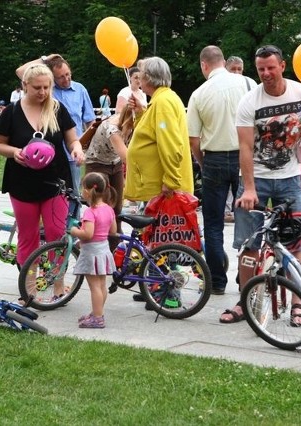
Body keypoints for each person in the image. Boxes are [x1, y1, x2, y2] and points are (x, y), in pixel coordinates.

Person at [220, 44, 301, 324]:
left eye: (270, 67)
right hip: (257, 179)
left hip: (289, 179)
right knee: (249, 245)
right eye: (261, 69)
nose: (266, 73)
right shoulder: (249, 102)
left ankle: (299, 305)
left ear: (282, 66)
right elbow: (244, 147)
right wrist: (250, 189)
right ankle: (245, 300)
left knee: (295, 244)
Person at [0, 64, 84, 282]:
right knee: (28, 236)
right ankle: (30, 284)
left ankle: (58, 281)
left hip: (56, 182)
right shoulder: (11, 112)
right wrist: (15, 152)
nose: (43, 92)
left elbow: (72, 139)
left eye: (46, 87)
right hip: (21, 183)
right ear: (25, 85)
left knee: (56, 233)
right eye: (37, 88)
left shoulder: (57, 108)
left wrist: (77, 149)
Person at [187, 46, 255, 296]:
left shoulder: (199, 93)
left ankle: (217, 280)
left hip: (214, 158)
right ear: (224, 62)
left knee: (213, 224)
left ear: (204, 65)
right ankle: (245, 277)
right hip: (244, 157)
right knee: (248, 221)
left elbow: (193, 138)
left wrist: (203, 163)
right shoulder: (247, 83)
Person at [16, 54, 95, 194]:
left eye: (68, 74)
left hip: (72, 151)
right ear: (52, 78)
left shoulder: (80, 89)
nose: (66, 79)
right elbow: (20, 72)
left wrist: (88, 145)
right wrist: (45, 59)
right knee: (50, 191)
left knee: (73, 193)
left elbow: (90, 120)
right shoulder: (47, 90)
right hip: (49, 151)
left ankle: (73, 216)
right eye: (61, 77)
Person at [125, 56, 193, 202]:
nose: (139, 78)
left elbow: (170, 144)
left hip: (164, 192)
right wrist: (139, 113)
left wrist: (171, 181)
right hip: (157, 189)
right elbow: (150, 133)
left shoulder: (163, 102)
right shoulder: (161, 99)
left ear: (148, 78)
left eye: (141, 74)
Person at [71, 172, 117, 329]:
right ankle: (97, 312)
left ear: (88, 191)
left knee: (94, 286)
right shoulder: (109, 209)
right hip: (104, 249)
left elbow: (88, 234)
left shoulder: (90, 211)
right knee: (102, 284)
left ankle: (98, 318)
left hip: (92, 252)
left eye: (83, 187)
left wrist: (75, 231)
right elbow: (113, 230)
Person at [85, 105, 133, 235]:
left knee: (117, 206)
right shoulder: (112, 129)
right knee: (101, 205)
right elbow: (127, 158)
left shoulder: (131, 123)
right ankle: (98, 237)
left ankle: (115, 241)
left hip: (114, 162)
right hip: (97, 163)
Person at [223, 55, 257, 224]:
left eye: (239, 69)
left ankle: (242, 209)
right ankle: (228, 209)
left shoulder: (250, 84)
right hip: (228, 139)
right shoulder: (221, 87)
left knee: (243, 176)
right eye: (233, 69)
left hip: (245, 137)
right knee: (230, 178)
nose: (236, 72)